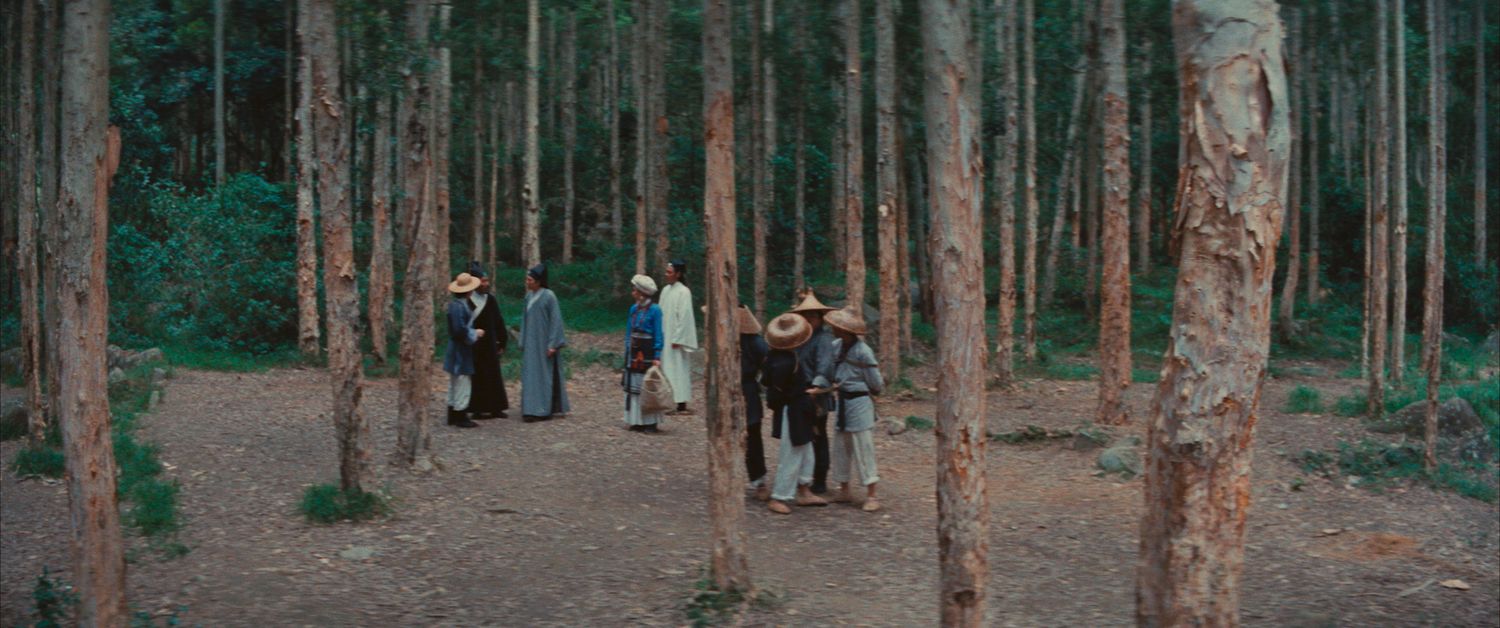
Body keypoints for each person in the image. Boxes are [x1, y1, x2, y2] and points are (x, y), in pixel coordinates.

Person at [761, 313, 828, 515]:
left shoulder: (780, 356)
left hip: (799, 407)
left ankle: (804, 489)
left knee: (806, 450)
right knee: (791, 454)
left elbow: (766, 382)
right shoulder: (784, 362)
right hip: (793, 411)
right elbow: (776, 390)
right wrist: (798, 394)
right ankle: (779, 496)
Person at [825, 307, 885, 512]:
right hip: (842, 402)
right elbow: (829, 371)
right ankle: (844, 490)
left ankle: (872, 495)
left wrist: (873, 389)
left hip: (859, 402)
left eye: (837, 327)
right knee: (841, 447)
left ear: (846, 330)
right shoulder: (835, 346)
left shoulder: (863, 351)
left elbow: (875, 382)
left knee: (863, 446)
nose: (834, 330)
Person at [791, 291, 838, 493]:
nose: (808, 320)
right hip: (799, 393)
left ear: (820, 318)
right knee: (801, 437)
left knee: (818, 436)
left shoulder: (824, 339)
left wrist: (817, 388)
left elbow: (825, 366)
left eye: (812, 316)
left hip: (816, 394)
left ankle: (820, 479)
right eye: (805, 316)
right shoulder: (799, 338)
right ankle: (803, 477)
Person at [519, 264, 570, 422]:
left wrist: (553, 344)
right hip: (531, 344)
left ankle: (543, 409)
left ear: (538, 281)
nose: (527, 282)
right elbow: (524, 320)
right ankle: (530, 409)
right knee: (530, 376)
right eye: (527, 279)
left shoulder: (549, 296)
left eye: (530, 280)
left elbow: (556, 321)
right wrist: (523, 340)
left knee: (544, 375)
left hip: (544, 344)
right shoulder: (528, 297)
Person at [465, 261, 510, 420]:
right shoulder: (468, 301)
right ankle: (477, 408)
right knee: (478, 376)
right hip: (475, 345)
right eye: (483, 281)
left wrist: (502, 341)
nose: (486, 284)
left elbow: (498, 322)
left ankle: (496, 408)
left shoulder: (490, 299)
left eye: (487, 281)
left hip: (490, 344)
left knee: (493, 375)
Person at [622, 274, 665, 433]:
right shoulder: (633, 309)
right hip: (634, 353)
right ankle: (636, 420)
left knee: (648, 386)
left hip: (648, 352)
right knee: (635, 386)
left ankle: (650, 422)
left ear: (642, 293)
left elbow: (659, 333)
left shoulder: (655, 310)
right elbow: (629, 331)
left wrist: (657, 355)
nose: (632, 292)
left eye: (635, 290)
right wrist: (627, 349)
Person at [444, 272, 485, 429]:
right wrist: (475, 333)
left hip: (456, 348)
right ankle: (460, 415)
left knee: (455, 381)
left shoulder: (455, 305)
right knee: (462, 381)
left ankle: (453, 413)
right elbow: (459, 330)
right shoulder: (460, 307)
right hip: (461, 349)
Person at [738, 306, 771, 501]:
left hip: (748, 391)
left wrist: (762, 382)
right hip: (725, 392)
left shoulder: (754, 341)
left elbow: (769, 365)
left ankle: (759, 481)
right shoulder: (719, 337)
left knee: (752, 437)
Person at [658, 259, 698, 415]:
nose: (666, 274)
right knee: (666, 367)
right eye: (666, 271)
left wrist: (678, 338)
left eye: (669, 272)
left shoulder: (684, 292)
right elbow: (661, 312)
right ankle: (667, 400)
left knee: (678, 368)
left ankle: (680, 402)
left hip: (675, 338)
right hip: (665, 334)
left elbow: (685, 316)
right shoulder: (665, 290)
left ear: (678, 274)